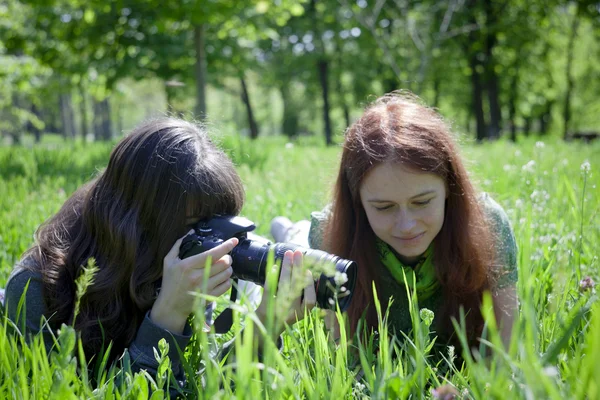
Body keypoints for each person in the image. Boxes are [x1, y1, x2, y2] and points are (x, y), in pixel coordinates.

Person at [3, 118, 315, 387]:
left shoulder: (183, 258)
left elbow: (196, 386)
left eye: (219, 226)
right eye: (197, 227)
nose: (213, 245)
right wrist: (168, 315)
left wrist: (264, 326)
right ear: (135, 223)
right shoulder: (37, 289)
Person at [272, 92, 518, 350]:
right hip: (308, 241)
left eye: (422, 202)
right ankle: (290, 230)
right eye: (384, 207)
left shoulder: (489, 225)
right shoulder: (329, 232)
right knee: (295, 246)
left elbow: (504, 352)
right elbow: (344, 353)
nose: (407, 225)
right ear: (358, 205)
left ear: (449, 188)